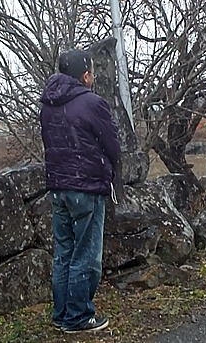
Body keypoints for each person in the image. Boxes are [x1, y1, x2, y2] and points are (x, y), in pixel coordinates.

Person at [40, 48, 121, 332]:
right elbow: (112, 144)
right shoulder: (91, 102)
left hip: (58, 185)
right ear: (85, 75)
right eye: (92, 73)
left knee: (64, 251)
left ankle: (62, 313)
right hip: (85, 185)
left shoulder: (48, 103)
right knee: (86, 254)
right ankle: (78, 315)